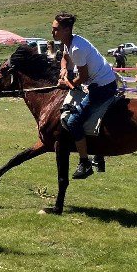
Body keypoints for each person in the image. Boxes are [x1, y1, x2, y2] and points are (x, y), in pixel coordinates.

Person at [51, 12, 119, 180]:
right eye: (53, 29)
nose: (53, 33)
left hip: (102, 87)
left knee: (73, 121)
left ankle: (84, 162)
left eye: (56, 29)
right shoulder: (69, 43)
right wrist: (64, 69)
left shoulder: (77, 48)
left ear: (66, 30)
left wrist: (67, 83)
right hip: (96, 83)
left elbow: (83, 77)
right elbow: (65, 59)